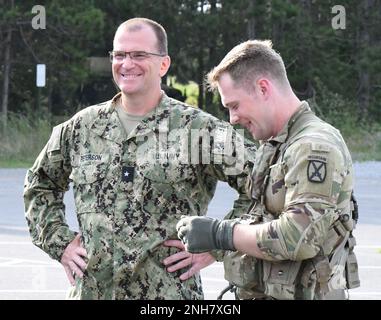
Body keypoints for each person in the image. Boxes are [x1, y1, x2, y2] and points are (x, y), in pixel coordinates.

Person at [23, 18, 256, 300]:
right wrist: (60, 243)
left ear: (163, 64)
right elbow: (40, 183)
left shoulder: (198, 130)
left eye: (139, 55)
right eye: (119, 55)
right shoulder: (81, 128)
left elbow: (263, 182)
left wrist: (218, 244)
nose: (126, 63)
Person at [177, 40, 360, 300]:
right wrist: (214, 245)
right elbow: (261, 215)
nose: (233, 118)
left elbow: (298, 237)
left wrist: (221, 234)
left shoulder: (313, 146)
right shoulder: (276, 144)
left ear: (263, 88)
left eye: (234, 105)